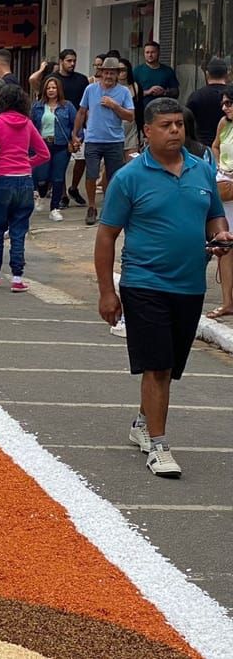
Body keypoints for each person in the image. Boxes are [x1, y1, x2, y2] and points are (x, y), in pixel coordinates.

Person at [96, 97, 233, 477]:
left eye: (179, 124)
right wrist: (107, 292)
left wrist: (221, 234)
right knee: (157, 366)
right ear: (147, 131)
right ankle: (159, 445)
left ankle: (143, 422)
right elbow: (106, 236)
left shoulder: (201, 170)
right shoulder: (129, 178)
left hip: (189, 285)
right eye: (166, 125)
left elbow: (214, 216)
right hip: (144, 282)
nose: (175, 131)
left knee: (168, 366)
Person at [0, 84, 50, 293]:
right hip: (25, 180)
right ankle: (17, 278)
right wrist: (27, 163)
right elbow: (44, 154)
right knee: (19, 230)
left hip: (2, 180)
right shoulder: (27, 123)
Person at [73, 57, 135, 225]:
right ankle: (91, 206)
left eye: (112, 73)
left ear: (117, 75)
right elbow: (81, 111)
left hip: (114, 140)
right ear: (101, 73)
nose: (108, 76)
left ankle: (109, 206)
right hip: (93, 139)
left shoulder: (124, 92)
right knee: (91, 174)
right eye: (106, 72)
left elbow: (130, 116)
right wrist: (75, 133)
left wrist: (115, 106)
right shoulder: (90, 89)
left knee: (114, 176)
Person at [31, 76, 77, 221]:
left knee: (58, 177)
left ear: (59, 90)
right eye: (49, 88)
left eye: (54, 87)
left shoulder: (67, 106)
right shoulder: (37, 107)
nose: (51, 90)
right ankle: (40, 194)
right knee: (41, 176)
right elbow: (31, 126)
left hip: (61, 145)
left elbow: (75, 125)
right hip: (42, 146)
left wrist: (76, 139)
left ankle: (54, 208)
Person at [207, 86, 233, 320]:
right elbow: (215, 145)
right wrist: (219, 166)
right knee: (225, 246)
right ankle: (227, 302)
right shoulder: (224, 124)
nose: (225, 108)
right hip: (225, 185)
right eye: (223, 104)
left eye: (229, 103)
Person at [186, 58, 228, 147]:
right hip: (227, 145)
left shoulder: (196, 96)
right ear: (226, 74)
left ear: (207, 74)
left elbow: (187, 120)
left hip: (202, 145)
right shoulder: (230, 95)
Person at [132, 41, 179, 111]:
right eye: (147, 52)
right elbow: (131, 93)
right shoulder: (137, 71)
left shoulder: (168, 70)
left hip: (163, 110)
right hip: (142, 111)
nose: (150, 55)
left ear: (159, 53)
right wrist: (148, 92)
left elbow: (176, 92)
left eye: (153, 52)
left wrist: (164, 92)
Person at [118, 57, 144, 161]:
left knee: (133, 160)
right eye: (118, 70)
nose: (121, 73)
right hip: (115, 130)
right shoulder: (110, 87)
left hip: (132, 130)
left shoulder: (135, 86)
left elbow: (140, 110)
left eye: (123, 70)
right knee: (113, 165)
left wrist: (143, 132)